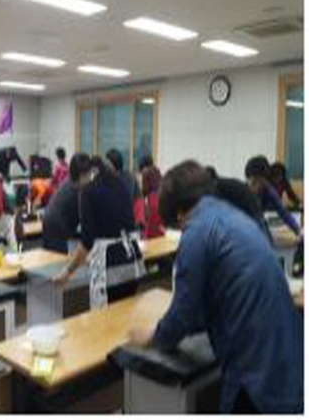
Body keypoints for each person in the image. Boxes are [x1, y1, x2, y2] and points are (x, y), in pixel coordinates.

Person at [129, 160, 303, 414]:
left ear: (178, 213)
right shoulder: (232, 215)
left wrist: (155, 336)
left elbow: (184, 312)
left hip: (257, 371)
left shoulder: (197, 231)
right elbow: (211, 303)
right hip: (289, 355)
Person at [53, 154, 135, 285]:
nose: (79, 188)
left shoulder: (87, 192)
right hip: (131, 259)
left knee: (107, 300)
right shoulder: (119, 183)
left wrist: (67, 272)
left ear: (81, 176)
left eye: (78, 185)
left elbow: (87, 242)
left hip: (109, 266)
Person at [206, 166, 272, 240]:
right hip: (250, 206)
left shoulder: (218, 186)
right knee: (262, 231)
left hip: (250, 208)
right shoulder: (225, 183)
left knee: (261, 234)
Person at [245, 155, 301, 236]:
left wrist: (298, 230)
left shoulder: (269, 191)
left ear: (265, 180)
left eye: (256, 182)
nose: (252, 186)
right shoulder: (242, 191)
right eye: (251, 181)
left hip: (259, 221)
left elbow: (283, 212)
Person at [42, 179, 80, 254]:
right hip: (57, 224)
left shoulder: (70, 182)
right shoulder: (81, 185)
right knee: (58, 258)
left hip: (50, 220)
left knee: (52, 256)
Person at [140, 165, 164, 238]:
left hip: (151, 238)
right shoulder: (162, 196)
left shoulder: (150, 199)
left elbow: (148, 225)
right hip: (162, 236)